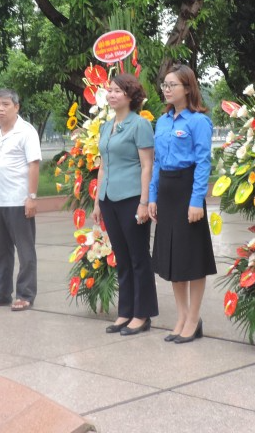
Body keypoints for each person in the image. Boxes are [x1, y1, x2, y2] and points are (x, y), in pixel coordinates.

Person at [147, 64, 216, 344]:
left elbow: (203, 163)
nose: (166, 89)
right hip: (166, 190)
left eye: (172, 85)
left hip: (188, 190)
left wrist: (197, 201)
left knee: (192, 258)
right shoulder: (162, 122)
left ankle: (193, 318)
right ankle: (181, 315)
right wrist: (152, 196)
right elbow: (157, 164)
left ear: (187, 88)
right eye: (164, 84)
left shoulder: (198, 121)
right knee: (173, 258)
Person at [92, 74, 158, 335]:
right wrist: (98, 201)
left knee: (139, 257)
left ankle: (142, 315)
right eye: (109, 90)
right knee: (121, 258)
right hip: (109, 198)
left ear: (131, 96)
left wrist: (144, 202)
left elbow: (147, 166)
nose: (111, 95)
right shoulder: (106, 126)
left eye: (117, 90)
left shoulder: (139, 125)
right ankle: (125, 311)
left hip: (132, 198)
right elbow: (102, 166)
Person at [0, 89, 42, 311]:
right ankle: (1, 293)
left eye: (5, 104)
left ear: (16, 107)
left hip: (19, 200)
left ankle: (25, 294)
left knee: (25, 250)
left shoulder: (27, 131)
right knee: (0, 251)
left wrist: (31, 197)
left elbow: (34, 164)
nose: (0, 109)